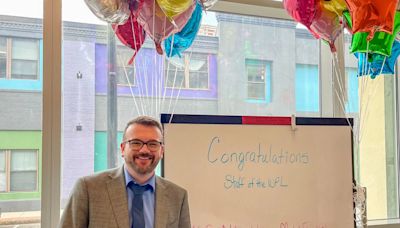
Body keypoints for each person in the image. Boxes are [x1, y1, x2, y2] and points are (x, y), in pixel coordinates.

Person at [59, 116, 191, 228]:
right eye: (136, 143)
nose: (144, 150)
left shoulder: (178, 196)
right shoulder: (88, 188)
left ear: (161, 151)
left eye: (153, 144)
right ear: (122, 149)